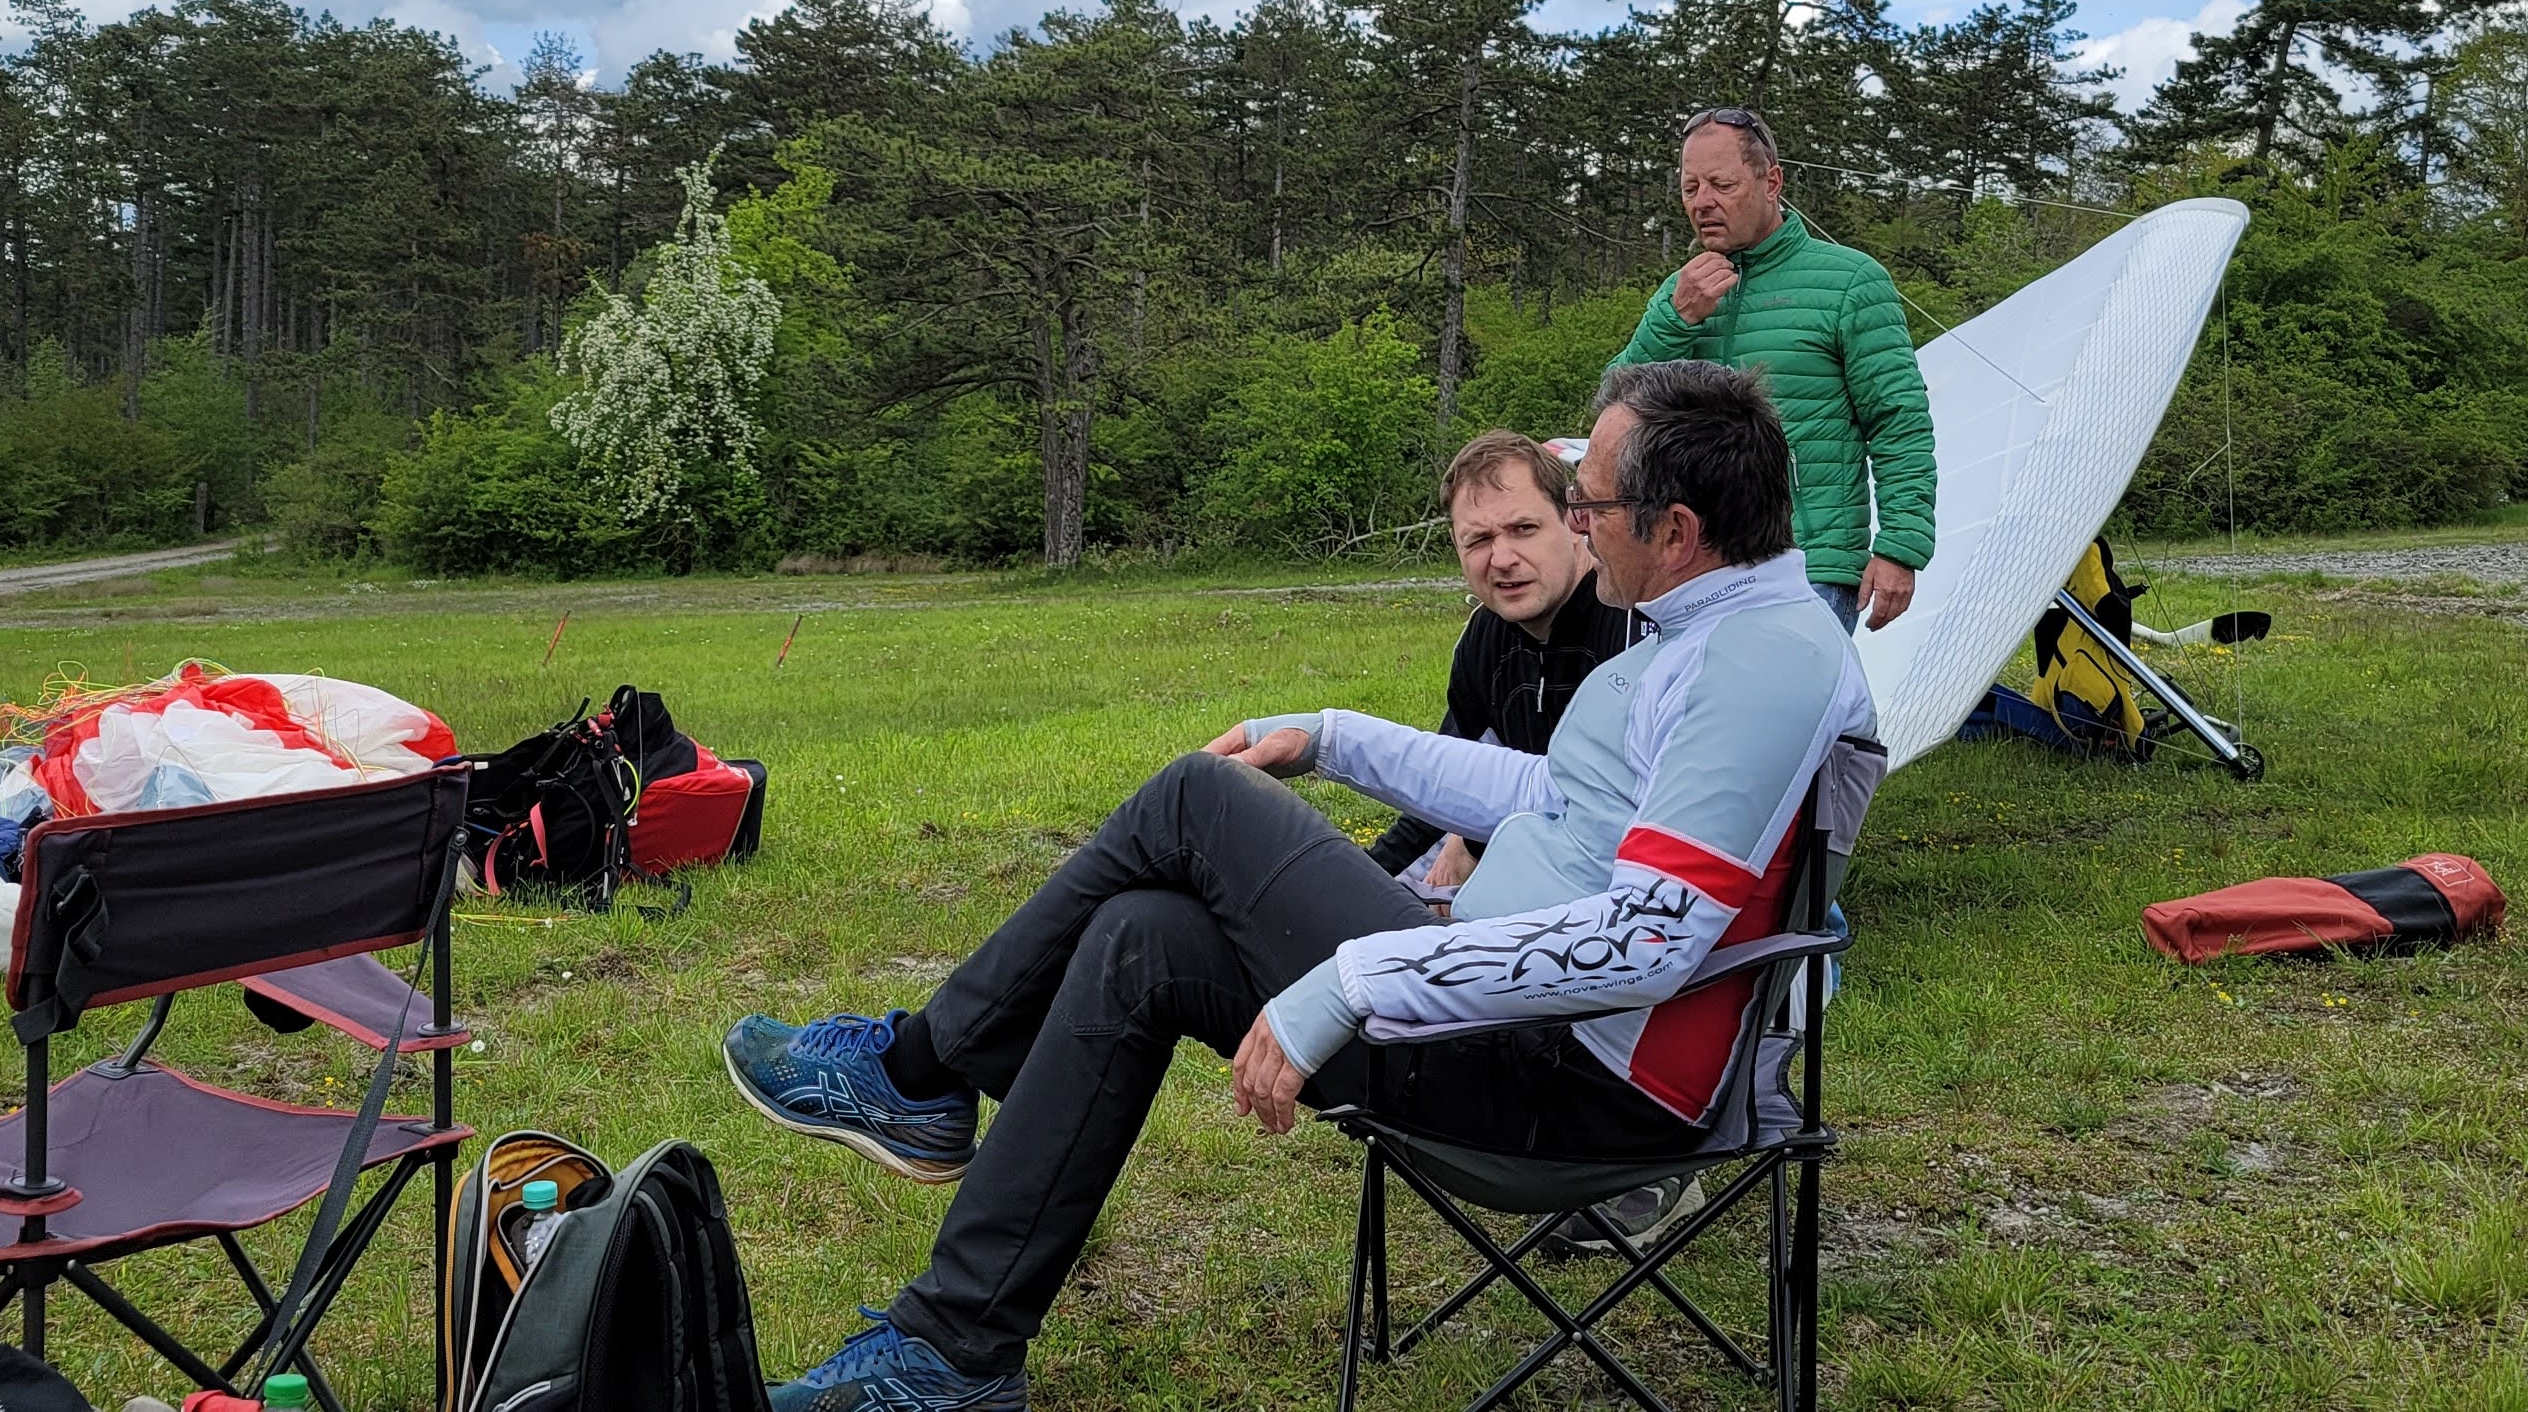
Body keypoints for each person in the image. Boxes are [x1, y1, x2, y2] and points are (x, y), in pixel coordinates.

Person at [720, 361, 1875, 1411]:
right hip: (1510, 1027)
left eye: (1591, 505)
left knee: (1194, 799)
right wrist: (1328, 736)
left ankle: (916, 1071)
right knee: (1139, 933)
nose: (1577, 520)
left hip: (1565, 1081)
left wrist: (1349, 982)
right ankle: (955, 1348)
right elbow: (1554, 797)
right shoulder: (1706, 629)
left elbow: (1647, 939)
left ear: (1676, 528)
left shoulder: (1758, 662)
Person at [1612, 105, 1937, 633]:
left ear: (1772, 182)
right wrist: (1674, 320)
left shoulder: (1850, 281)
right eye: (1690, 187)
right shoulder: (1682, 293)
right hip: (1692, 572)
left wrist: (1900, 546)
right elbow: (1617, 412)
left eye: (1722, 184)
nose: (1703, 202)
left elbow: (1898, 420)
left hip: (1807, 568)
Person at [1359, 430, 1637, 908]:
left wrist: (1474, 845)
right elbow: (1442, 778)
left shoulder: (1630, 622)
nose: (1502, 559)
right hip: (1521, 842)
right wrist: (1360, 880)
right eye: (1479, 540)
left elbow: (1614, 813)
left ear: (1575, 522)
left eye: (1523, 529)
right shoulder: (1484, 638)